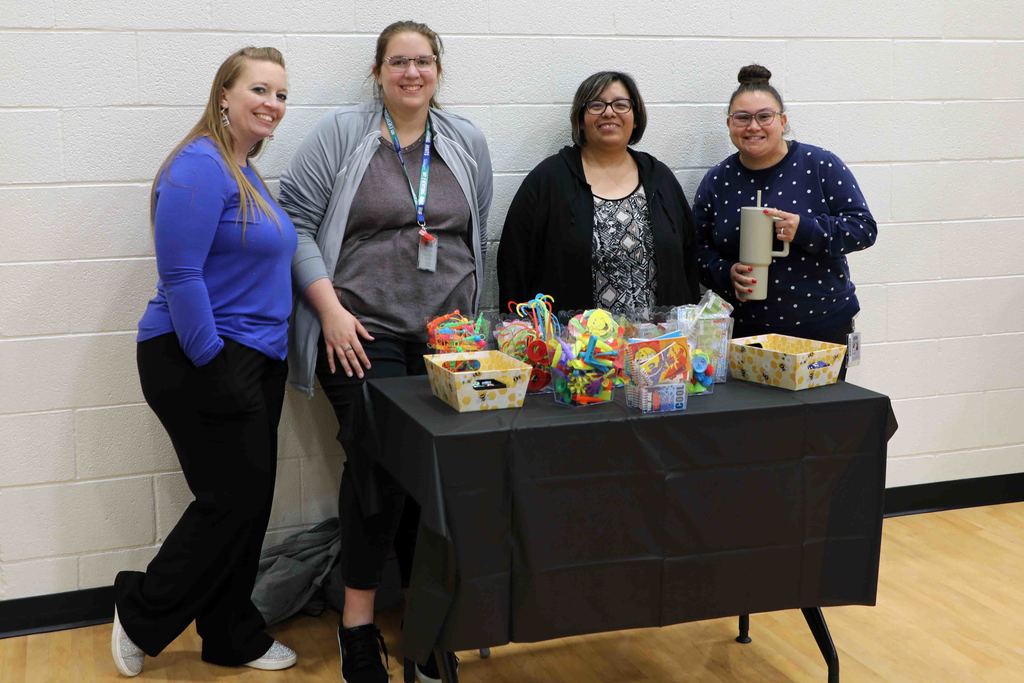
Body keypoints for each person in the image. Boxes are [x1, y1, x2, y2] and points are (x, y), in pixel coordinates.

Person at [278, 20, 492, 683]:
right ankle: (358, 627)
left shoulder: (465, 142)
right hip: (361, 334)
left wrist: (480, 332)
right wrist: (330, 311)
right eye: (398, 62)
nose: (412, 73)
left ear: (438, 71)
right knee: (377, 473)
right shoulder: (342, 136)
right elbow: (296, 222)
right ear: (377, 72)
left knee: (437, 481)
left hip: (448, 340)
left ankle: (426, 625)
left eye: (423, 61)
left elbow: (477, 230)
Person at [111, 47, 297, 676]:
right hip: (200, 354)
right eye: (260, 90)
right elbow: (183, 276)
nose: (272, 104)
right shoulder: (200, 165)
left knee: (248, 506)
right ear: (224, 94)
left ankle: (229, 635)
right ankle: (140, 610)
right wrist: (214, 363)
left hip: (253, 357)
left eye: (281, 95)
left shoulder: (246, 170)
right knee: (230, 501)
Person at [693, 64, 877, 374]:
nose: (754, 126)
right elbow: (697, 249)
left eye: (764, 116)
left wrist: (803, 229)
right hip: (747, 332)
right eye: (742, 118)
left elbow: (863, 228)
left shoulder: (820, 165)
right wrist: (726, 273)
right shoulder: (717, 180)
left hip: (821, 326)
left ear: (783, 121)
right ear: (729, 124)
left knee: (821, 420)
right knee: (756, 421)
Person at [497, 71, 700, 314]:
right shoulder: (549, 180)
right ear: (581, 119)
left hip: (656, 344)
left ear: (635, 118)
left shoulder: (660, 178)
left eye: (621, 104)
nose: (609, 112)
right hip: (574, 348)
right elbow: (514, 264)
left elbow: (688, 260)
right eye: (596, 104)